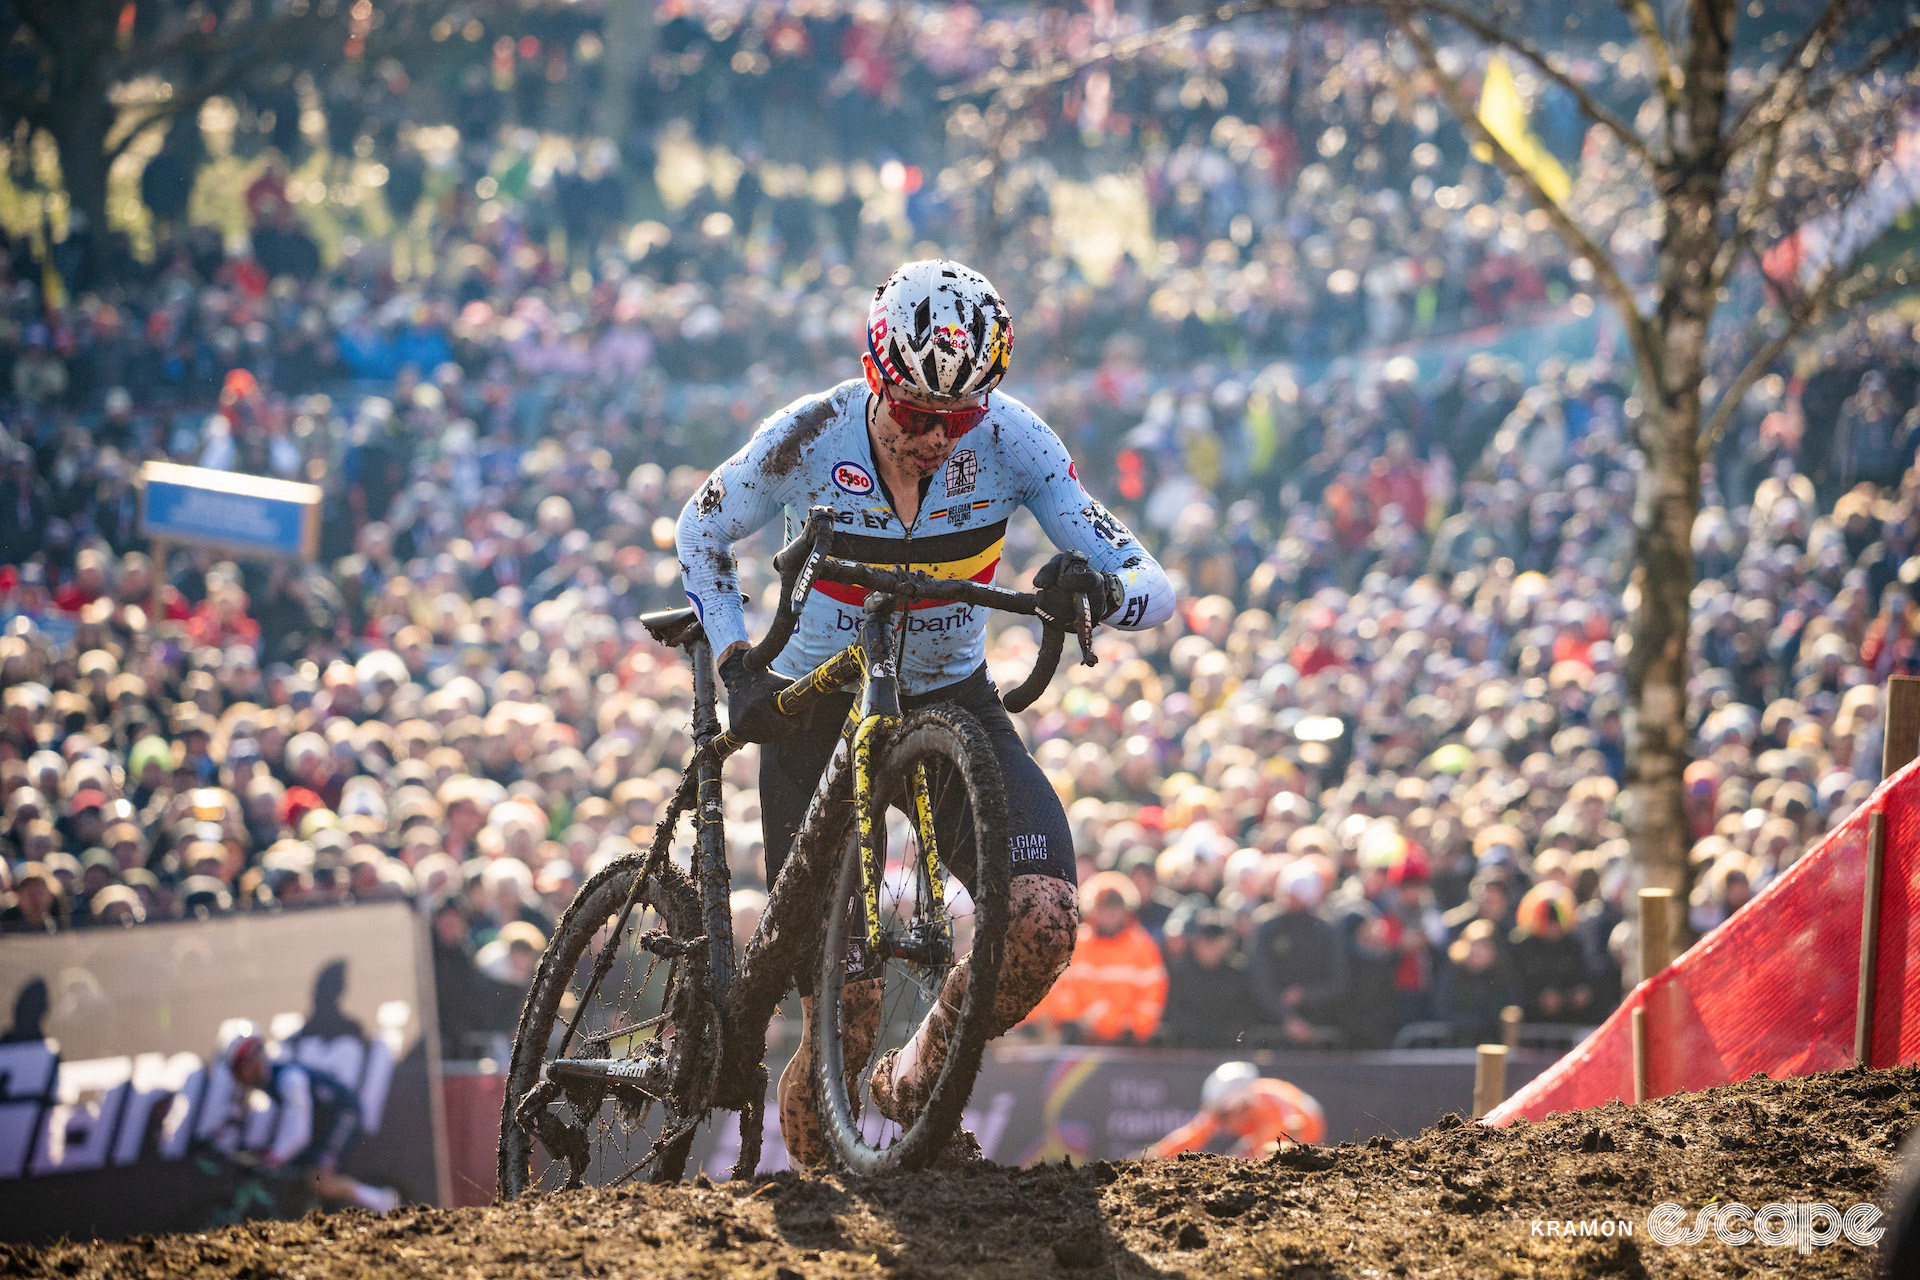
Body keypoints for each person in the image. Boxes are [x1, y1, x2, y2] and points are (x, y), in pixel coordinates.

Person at [675, 259, 1175, 1168]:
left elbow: (1155, 582)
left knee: (1043, 923)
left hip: (950, 697)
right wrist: (736, 657)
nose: (935, 436)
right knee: (849, 1010)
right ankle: (818, 1147)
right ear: (875, 379)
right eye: (914, 413)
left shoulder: (1014, 439)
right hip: (814, 706)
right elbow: (699, 529)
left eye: (958, 418)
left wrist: (1096, 589)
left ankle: (915, 1080)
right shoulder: (809, 433)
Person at [223, 1032, 400, 1214]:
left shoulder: (289, 1078)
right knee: (304, 1175)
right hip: (325, 1121)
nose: (237, 1076)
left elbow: (299, 1132)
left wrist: (273, 1157)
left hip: (343, 1114)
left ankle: (384, 1203)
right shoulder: (270, 1081)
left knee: (320, 1180)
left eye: (239, 1069)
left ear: (254, 1063)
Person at [1145, 1061, 1328, 1158]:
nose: (1220, 1123)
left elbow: (1260, 1158)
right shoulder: (1228, 1107)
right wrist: (1157, 1153)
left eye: (1224, 1117)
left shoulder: (1270, 1113)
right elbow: (1195, 1133)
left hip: (1307, 1130)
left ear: (1241, 1108)